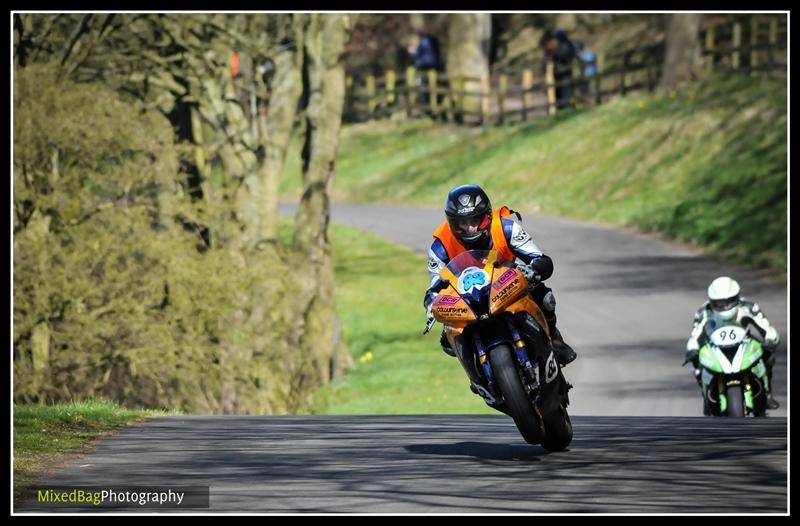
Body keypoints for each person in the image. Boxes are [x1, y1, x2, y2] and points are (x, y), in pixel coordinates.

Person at [423, 184, 576, 366]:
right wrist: (432, 307)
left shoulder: (506, 227)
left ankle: (554, 338)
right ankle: (476, 375)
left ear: (486, 216)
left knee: (545, 297)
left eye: (475, 221)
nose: (470, 228)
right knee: (447, 337)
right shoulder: (440, 245)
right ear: (452, 223)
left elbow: (539, 258)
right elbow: (434, 287)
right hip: (467, 296)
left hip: (507, 283)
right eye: (462, 223)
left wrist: (534, 269)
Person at [685, 276, 781, 411]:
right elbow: (695, 335)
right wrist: (692, 350)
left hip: (744, 343)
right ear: (712, 301)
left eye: (729, 301)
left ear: (737, 297)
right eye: (719, 303)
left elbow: (766, 327)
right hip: (714, 347)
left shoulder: (749, 307)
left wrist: (770, 340)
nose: (725, 306)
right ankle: (706, 394)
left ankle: (767, 392)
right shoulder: (703, 313)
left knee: (768, 356)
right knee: (697, 362)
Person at [540, 28, 577, 110]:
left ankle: (566, 108)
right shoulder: (562, 46)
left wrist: (553, 56)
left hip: (565, 75)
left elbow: (563, 56)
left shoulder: (566, 46)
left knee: (565, 96)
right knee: (558, 96)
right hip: (559, 76)